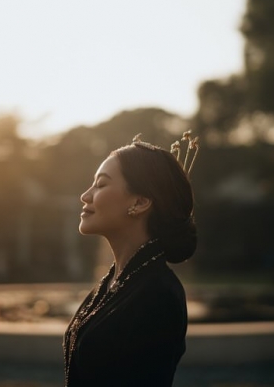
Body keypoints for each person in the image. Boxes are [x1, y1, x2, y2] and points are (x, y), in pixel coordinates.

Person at [63, 132, 199, 387]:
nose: (86, 195)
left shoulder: (158, 294)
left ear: (140, 202)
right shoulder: (116, 280)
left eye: (101, 184)